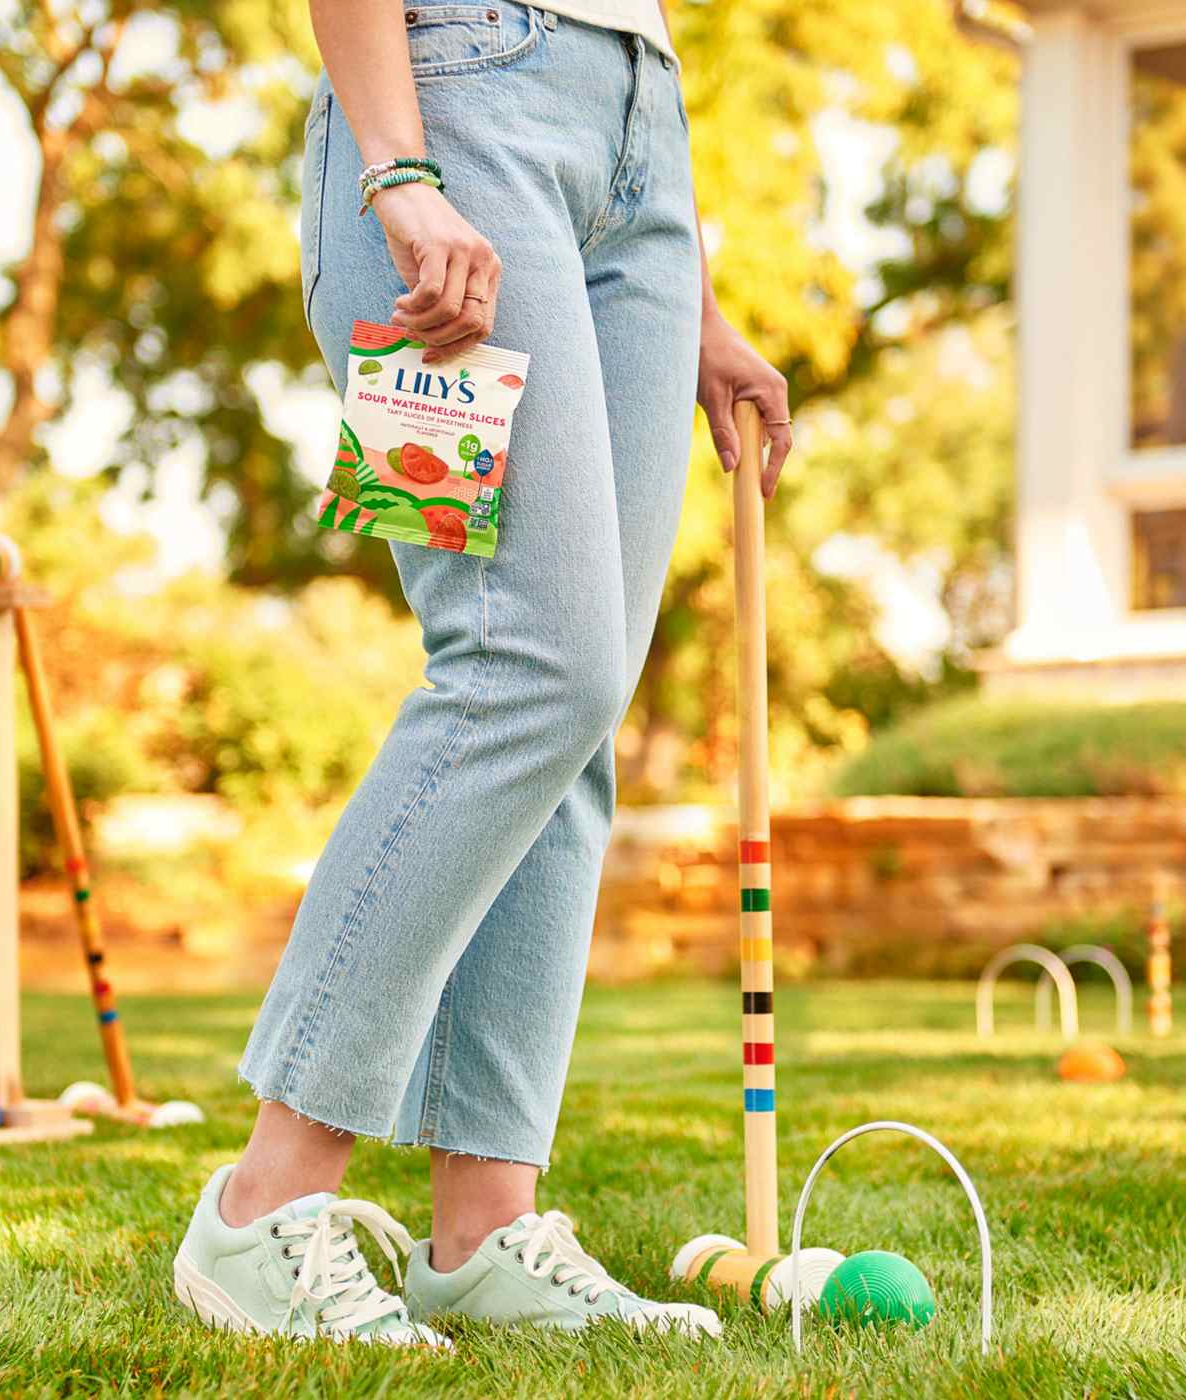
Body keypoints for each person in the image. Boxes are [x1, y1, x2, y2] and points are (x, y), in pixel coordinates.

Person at [174, 0, 793, 1346]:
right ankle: (262, 1206)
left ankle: (485, 1227)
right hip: (449, 109)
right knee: (525, 668)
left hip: (639, 134)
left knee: (577, 717)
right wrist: (397, 167)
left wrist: (698, 305)